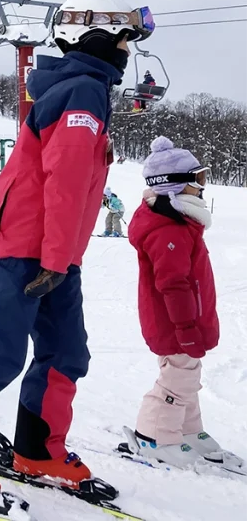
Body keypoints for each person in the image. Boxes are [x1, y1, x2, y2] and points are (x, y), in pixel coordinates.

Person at [0, 0, 152, 505]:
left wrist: (63, 257)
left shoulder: (86, 90)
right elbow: (65, 179)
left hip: (56, 252)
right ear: (92, 37)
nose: (126, 52)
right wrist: (55, 258)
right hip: (26, 247)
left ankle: (37, 451)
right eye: (123, 41)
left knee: (67, 351)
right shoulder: (82, 91)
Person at [122, 137, 242, 472]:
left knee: (187, 374)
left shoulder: (180, 221)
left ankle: (188, 430)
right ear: (172, 184)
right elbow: (173, 285)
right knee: (177, 377)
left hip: (185, 319)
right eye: (197, 179)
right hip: (174, 321)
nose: (202, 187)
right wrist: (186, 328)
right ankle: (154, 436)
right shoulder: (168, 229)